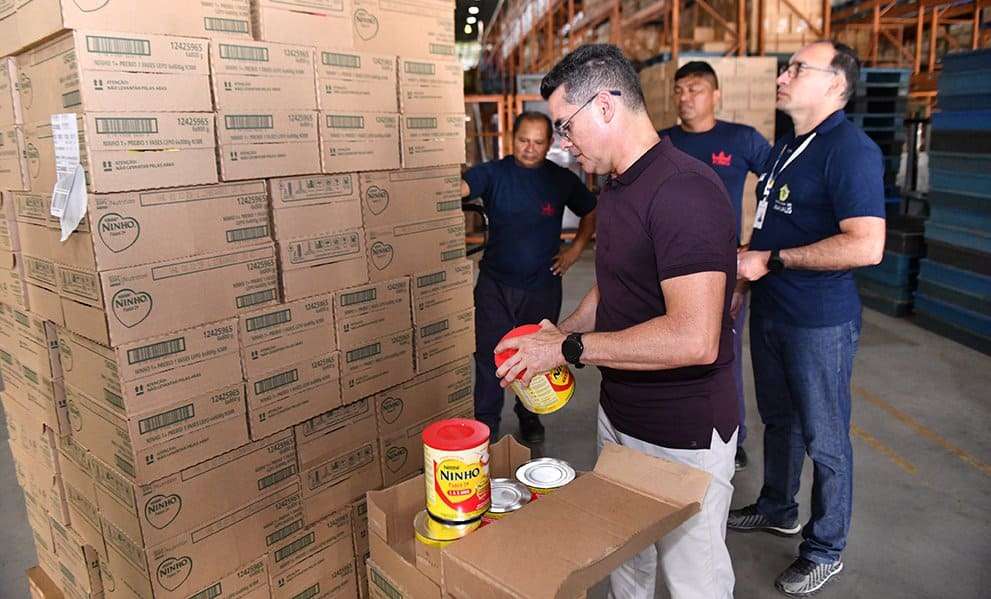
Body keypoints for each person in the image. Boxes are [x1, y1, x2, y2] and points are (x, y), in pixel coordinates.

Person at [495, 44, 738, 599]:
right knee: (627, 565)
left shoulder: (684, 192)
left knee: (692, 582)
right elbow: (617, 282)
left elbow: (694, 338)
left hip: (683, 438)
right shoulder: (620, 185)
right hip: (622, 420)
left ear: (605, 106)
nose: (562, 142)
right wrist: (561, 331)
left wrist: (571, 351)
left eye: (564, 126)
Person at [728, 41, 885, 597]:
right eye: (786, 66)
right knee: (780, 420)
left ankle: (826, 547)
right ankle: (777, 505)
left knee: (826, 437)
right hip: (774, 311)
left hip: (818, 321)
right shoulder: (792, 147)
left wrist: (773, 260)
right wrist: (751, 270)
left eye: (798, 68)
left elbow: (867, 246)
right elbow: (777, 225)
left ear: (835, 85)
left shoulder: (850, 150)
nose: (783, 74)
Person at [660, 61, 773, 471]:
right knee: (669, 348)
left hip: (724, 271)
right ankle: (673, 429)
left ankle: (732, 434)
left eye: (696, 89)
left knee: (724, 354)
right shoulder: (663, 142)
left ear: (716, 94)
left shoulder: (741, 139)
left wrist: (754, 249)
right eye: (680, 90)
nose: (686, 98)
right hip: (666, 268)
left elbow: (778, 183)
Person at [462, 111, 597, 443]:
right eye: (523, 140)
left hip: (541, 287)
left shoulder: (560, 179)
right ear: (512, 138)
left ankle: (529, 416)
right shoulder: (494, 173)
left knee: (536, 355)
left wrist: (575, 251)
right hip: (495, 284)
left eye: (538, 142)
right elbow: (464, 187)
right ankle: (487, 424)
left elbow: (591, 210)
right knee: (488, 355)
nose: (530, 148)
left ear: (549, 144)